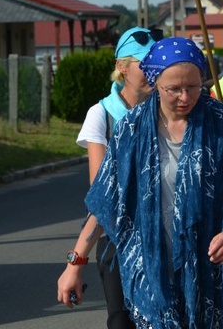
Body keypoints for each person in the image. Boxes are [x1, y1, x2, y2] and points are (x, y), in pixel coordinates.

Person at [58, 37, 223, 328]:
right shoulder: (132, 128)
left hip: (208, 266)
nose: (185, 97)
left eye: (193, 87)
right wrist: (74, 265)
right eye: (174, 89)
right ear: (155, 83)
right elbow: (106, 201)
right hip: (150, 269)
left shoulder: (222, 122)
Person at [75, 26, 158, 329]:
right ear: (122, 67)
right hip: (118, 236)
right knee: (121, 321)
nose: (151, 69)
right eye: (142, 62)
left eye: (154, 61)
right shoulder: (102, 114)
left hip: (162, 232)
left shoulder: (169, 110)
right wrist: (76, 261)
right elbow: (102, 191)